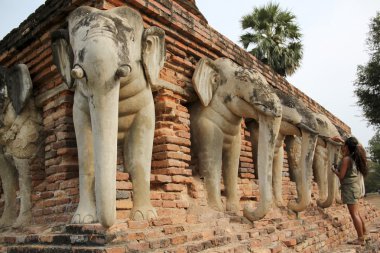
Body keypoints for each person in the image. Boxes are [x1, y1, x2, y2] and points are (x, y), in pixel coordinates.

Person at [331, 136, 368, 245]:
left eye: (344, 146)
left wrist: (334, 170)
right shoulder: (354, 156)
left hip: (349, 189)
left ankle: (360, 238)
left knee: (354, 214)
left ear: (347, 147)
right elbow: (355, 146)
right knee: (357, 213)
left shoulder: (347, 159)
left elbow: (341, 176)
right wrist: (342, 140)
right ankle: (364, 233)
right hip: (354, 188)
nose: (342, 148)